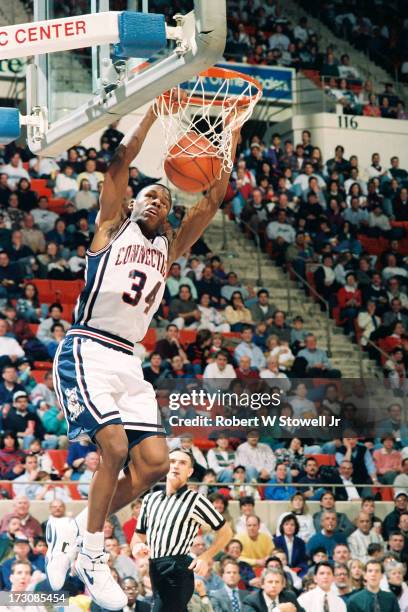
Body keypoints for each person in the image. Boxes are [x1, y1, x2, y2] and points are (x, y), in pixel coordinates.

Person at [47, 101, 242, 609]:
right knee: (113, 448)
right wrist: (153, 116)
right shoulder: (111, 229)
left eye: (163, 199)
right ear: (132, 206)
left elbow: (214, 197)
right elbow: (117, 165)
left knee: (155, 463)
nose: (155, 201)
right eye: (148, 196)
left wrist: (233, 132)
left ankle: (72, 529)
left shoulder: (170, 247)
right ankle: (91, 553)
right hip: (88, 345)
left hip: (128, 360)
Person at [132, 448, 232, 612]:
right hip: (154, 568)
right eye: (172, 462)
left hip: (177, 568)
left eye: (182, 463)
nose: (176, 466)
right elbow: (138, 536)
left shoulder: (196, 500)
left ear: (190, 471)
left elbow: (226, 532)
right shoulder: (150, 499)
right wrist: (136, 547)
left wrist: (205, 557)